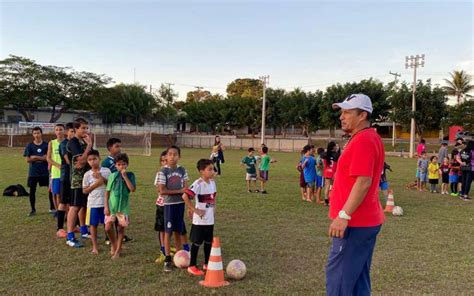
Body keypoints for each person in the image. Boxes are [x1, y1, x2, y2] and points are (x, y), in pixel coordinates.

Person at [326, 93, 385, 296]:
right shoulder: (364, 138)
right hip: (363, 222)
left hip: (355, 223)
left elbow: (363, 181)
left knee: (339, 282)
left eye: (347, 112)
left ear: (362, 115)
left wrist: (343, 215)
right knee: (357, 281)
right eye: (341, 112)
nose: (342, 116)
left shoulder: (364, 140)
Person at [156, 146, 190, 272]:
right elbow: (162, 190)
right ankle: (167, 259)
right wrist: (179, 191)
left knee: (178, 230)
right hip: (169, 205)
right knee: (168, 231)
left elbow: (186, 188)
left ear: (179, 156)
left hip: (180, 204)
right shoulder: (163, 172)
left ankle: (179, 255)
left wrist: (190, 205)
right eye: (170, 154)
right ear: (166, 157)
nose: (172, 157)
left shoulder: (182, 170)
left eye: (175, 154)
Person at [182, 159, 217, 276]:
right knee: (197, 243)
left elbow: (213, 198)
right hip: (200, 221)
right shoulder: (198, 184)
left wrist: (214, 209)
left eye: (213, 169)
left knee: (208, 242)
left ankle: (207, 263)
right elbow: (185, 196)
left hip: (210, 219)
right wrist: (194, 209)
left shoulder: (212, 183)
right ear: (202, 171)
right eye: (210, 169)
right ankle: (192, 266)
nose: (213, 171)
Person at [65, 118, 93, 248]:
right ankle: (70, 236)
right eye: (83, 128)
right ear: (76, 129)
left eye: (87, 128)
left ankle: (84, 230)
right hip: (77, 181)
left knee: (84, 206)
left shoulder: (83, 141)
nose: (85, 130)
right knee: (74, 207)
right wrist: (89, 146)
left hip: (87, 179)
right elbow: (80, 162)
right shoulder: (73, 142)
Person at [104, 153, 136, 259]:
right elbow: (107, 192)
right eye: (119, 164)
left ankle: (118, 250)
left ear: (127, 165)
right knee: (108, 227)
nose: (121, 166)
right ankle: (114, 244)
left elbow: (132, 189)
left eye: (123, 164)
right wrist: (106, 206)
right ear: (116, 166)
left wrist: (125, 176)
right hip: (112, 206)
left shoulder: (130, 175)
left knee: (120, 228)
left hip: (123, 207)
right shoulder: (112, 176)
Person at [83, 150, 111, 254]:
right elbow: (85, 190)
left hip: (106, 203)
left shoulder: (106, 171)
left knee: (108, 225)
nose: (92, 161)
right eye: (90, 160)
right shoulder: (87, 175)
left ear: (99, 158)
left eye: (94, 159)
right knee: (93, 225)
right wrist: (96, 184)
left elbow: (111, 185)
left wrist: (101, 178)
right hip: (92, 204)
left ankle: (112, 243)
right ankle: (95, 247)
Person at [23, 127, 49, 217]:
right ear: (33, 135)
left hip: (45, 171)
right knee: (32, 191)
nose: (37, 135)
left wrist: (35, 157)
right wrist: (42, 158)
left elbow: (48, 158)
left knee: (50, 190)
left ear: (41, 133)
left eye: (38, 133)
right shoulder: (29, 146)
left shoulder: (46, 145)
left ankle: (52, 208)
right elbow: (27, 159)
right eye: (35, 133)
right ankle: (33, 209)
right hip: (33, 172)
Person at [56, 122, 75, 238]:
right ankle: (59, 228)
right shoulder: (64, 144)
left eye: (74, 131)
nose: (73, 133)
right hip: (65, 177)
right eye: (72, 131)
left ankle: (73, 226)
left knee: (73, 203)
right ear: (67, 132)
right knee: (63, 202)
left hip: (74, 177)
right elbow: (67, 160)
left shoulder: (76, 143)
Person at [46, 124, 65, 218]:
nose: (59, 131)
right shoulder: (52, 143)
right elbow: (48, 158)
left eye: (60, 129)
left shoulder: (68, 142)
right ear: (55, 132)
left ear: (64, 131)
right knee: (57, 193)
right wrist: (58, 166)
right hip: (56, 172)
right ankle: (59, 212)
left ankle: (65, 212)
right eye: (57, 130)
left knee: (64, 194)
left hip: (66, 173)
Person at [323, 141, 338, 206]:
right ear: (333, 147)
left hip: (327, 171)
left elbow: (324, 163)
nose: (336, 147)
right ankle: (331, 201)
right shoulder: (336, 154)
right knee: (333, 187)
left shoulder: (326, 154)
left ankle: (326, 201)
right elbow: (337, 164)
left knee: (327, 186)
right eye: (335, 146)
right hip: (333, 172)